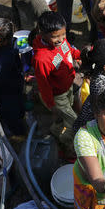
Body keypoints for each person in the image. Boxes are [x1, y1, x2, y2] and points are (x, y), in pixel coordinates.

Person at [30, 11, 81, 151]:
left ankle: (57, 124)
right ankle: (67, 141)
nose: (60, 39)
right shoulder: (41, 59)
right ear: (42, 33)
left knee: (67, 109)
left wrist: (80, 55)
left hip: (68, 85)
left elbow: (70, 51)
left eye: (63, 34)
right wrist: (51, 105)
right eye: (55, 37)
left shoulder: (62, 41)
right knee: (74, 122)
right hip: (57, 95)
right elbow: (43, 84)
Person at [0, 18, 26, 137]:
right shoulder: (11, 43)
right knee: (17, 107)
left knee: (10, 113)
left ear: (4, 41)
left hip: (8, 89)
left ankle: (18, 134)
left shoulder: (4, 60)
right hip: (15, 83)